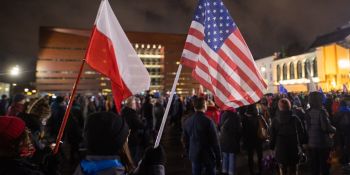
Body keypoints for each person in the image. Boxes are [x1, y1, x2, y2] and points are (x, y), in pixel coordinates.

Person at [74, 112, 165, 175]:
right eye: (126, 137)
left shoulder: (84, 168)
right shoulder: (114, 171)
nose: (127, 140)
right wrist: (156, 169)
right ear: (117, 143)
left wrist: (143, 166)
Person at [183, 97, 221, 175]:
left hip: (194, 155)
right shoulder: (208, 121)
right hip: (208, 156)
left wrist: (188, 152)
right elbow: (215, 142)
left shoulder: (187, 121)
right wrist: (218, 159)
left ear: (194, 107)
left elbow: (185, 140)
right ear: (204, 106)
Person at [270, 98, 305, 175]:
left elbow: (272, 136)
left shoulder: (275, 120)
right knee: (293, 170)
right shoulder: (295, 119)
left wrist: (271, 147)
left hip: (280, 148)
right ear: (289, 106)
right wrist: (302, 145)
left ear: (279, 107)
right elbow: (302, 134)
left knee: (283, 169)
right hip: (293, 148)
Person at [306, 91, 336, 175]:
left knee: (314, 166)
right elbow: (325, 127)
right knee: (325, 166)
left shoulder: (307, 111)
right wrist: (334, 129)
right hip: (322, 143)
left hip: (311, 143)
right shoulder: (321, 111)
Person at [122, 97, 145, 164]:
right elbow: (139, 125)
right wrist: (143, 122)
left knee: (128, 155)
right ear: (132, 104)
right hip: (133, 137)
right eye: (135, 103)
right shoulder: (132, 113)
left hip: (125, 137)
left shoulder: (123, 111)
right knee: (134, 156)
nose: (136, 105)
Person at [241, 104, 263, 175]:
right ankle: (260, 169)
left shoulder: (244, 119)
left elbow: (243, 131)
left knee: (250, 156)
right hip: (258, 139)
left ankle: (251, 171)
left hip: (249, 140)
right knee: (260, 155)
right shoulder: (258, 117)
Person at [219, 108, 241, 175]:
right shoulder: (236, 116)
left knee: (225, 155)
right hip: (233, 139)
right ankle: (231, 172)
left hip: (223, 139)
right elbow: (239, 130)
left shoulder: (222, 114)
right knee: (232, 156)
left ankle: (224, 171)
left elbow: (219, 125)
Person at [334, 100, 350, 165]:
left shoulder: (337, 112)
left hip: (340, 132)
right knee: (348, 145)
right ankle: (348, 159)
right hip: (348, 131)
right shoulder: (349, 111)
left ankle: (343, 159)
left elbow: (334, 122)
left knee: (341, 145)